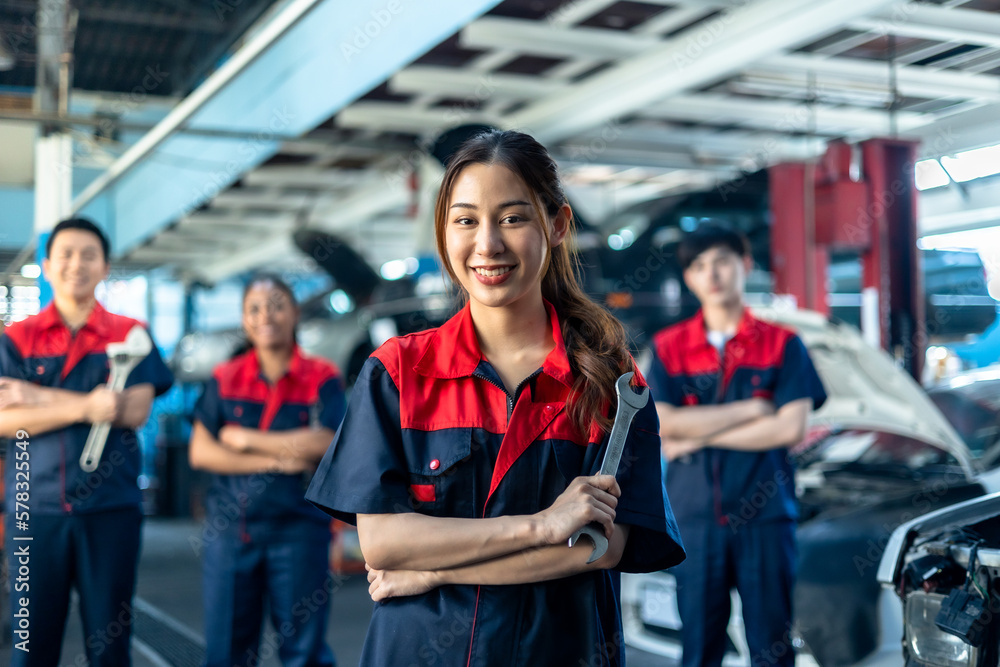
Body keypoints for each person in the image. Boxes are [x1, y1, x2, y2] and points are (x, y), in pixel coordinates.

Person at [305, 129, 684, 667]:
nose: (487, 244)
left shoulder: (609, 380)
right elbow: (385, 545)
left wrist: (434, 566)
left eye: (512, 218)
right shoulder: (397, 374)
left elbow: (602, 549)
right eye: (466, 220)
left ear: (557, 225)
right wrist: (543, 526)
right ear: (444, 232)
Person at [646, 224, 827, 667]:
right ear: (688, 278)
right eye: (699, 265)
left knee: (771, 646)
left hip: (765, 517)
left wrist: (693, 433)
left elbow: (790, 429)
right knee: (698, 647)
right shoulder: (669, 348)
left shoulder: (783, 344)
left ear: (745, 266)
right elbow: (662, 421)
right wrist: (753, 410)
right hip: (694, 521)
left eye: (722, 261)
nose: (713, 274)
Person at [0, 217, 174, 666]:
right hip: (33, 512)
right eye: (66, 254)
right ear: (48, 264)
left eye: (88, 255)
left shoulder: (130, 333)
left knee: (109, 644)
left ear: (105, 267)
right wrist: (87, 408)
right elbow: (4, 420)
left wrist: (37, 398)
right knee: (30, 645)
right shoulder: (17, 338)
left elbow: (133, 410)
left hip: (110, 511)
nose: (77, 264)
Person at [189, 274, 346, 667]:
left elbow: (330, 442)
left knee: (304, 652)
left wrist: (245, 438)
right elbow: (202, 452)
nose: (266, 315)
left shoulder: (321, 376)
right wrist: (281, 459)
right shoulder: (225, 378)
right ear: (244, 319)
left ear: (294, 312)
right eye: (254, 308)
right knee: (226, 652)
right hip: (230, 532)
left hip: (298, 530)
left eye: (277, 304)